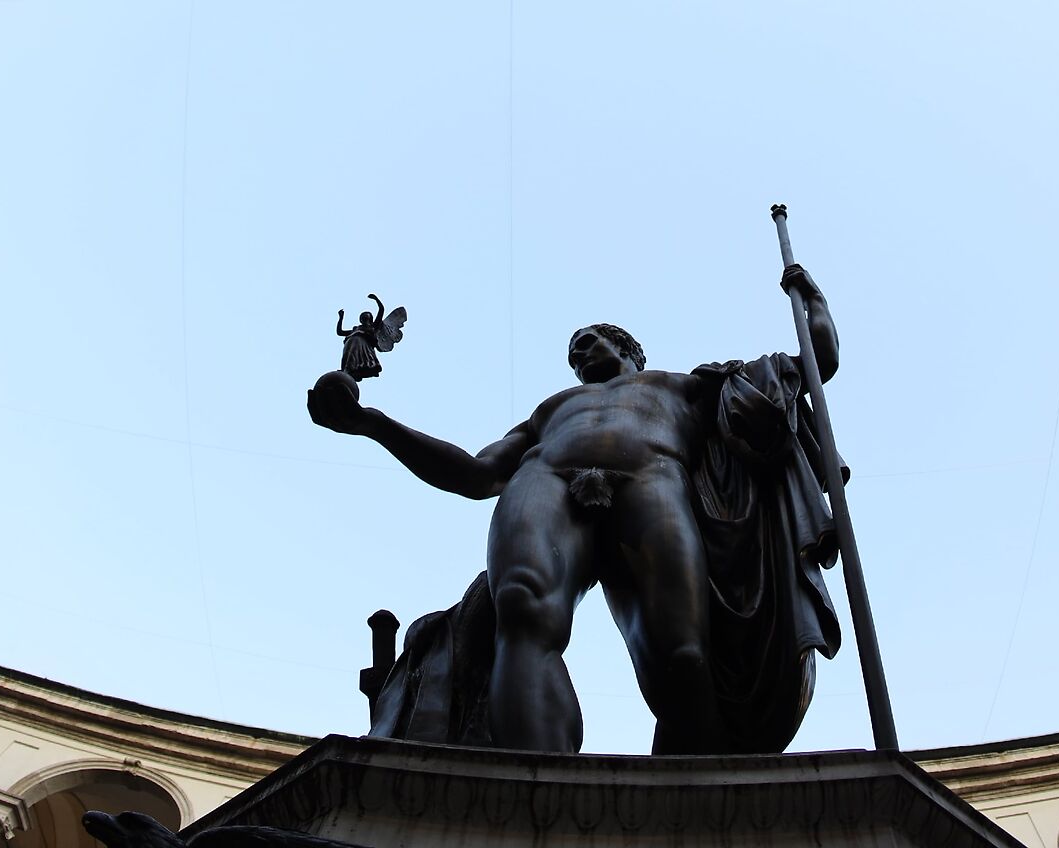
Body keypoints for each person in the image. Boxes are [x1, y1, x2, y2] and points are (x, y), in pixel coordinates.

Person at [307, 265, 842, 754]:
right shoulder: (551, 410)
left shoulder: (685, 386)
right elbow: (475, 472)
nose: (578, 355)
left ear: (626, 345)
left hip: (654, 479)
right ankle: (539, 789)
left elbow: (810, 365)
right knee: (520, 607)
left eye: (588, 343)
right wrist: (372, 423)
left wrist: (810, 297)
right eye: (572, 353)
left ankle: (698, 800)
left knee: (681, 651)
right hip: (547, 480)